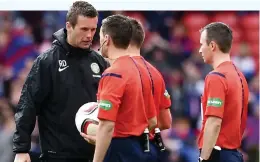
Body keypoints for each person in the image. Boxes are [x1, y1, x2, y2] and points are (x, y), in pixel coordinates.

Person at [12, 1, 109, 162]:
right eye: (84, 29)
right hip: (57, 155)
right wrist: (21, 149)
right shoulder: (47, 62)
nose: (89, 35)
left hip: (95, 155)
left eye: (93, 29)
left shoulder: (98, 61)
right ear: (69, 26)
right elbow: (27, 105)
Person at [89, 14, 162, 162]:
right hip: (143, 147)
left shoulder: (113, 73)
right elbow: (153, 120)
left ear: (107, 39)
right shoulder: (144, 70)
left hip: (121, 150)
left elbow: (107, 125)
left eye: (100, 36)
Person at [198, 22, 249, 162]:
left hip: (217, 155)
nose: (200, 50)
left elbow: (214, 122)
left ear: (212, 46)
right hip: (234, 154)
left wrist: (203, 159)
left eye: (202, 44)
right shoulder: (240, 76)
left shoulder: (216, 77)